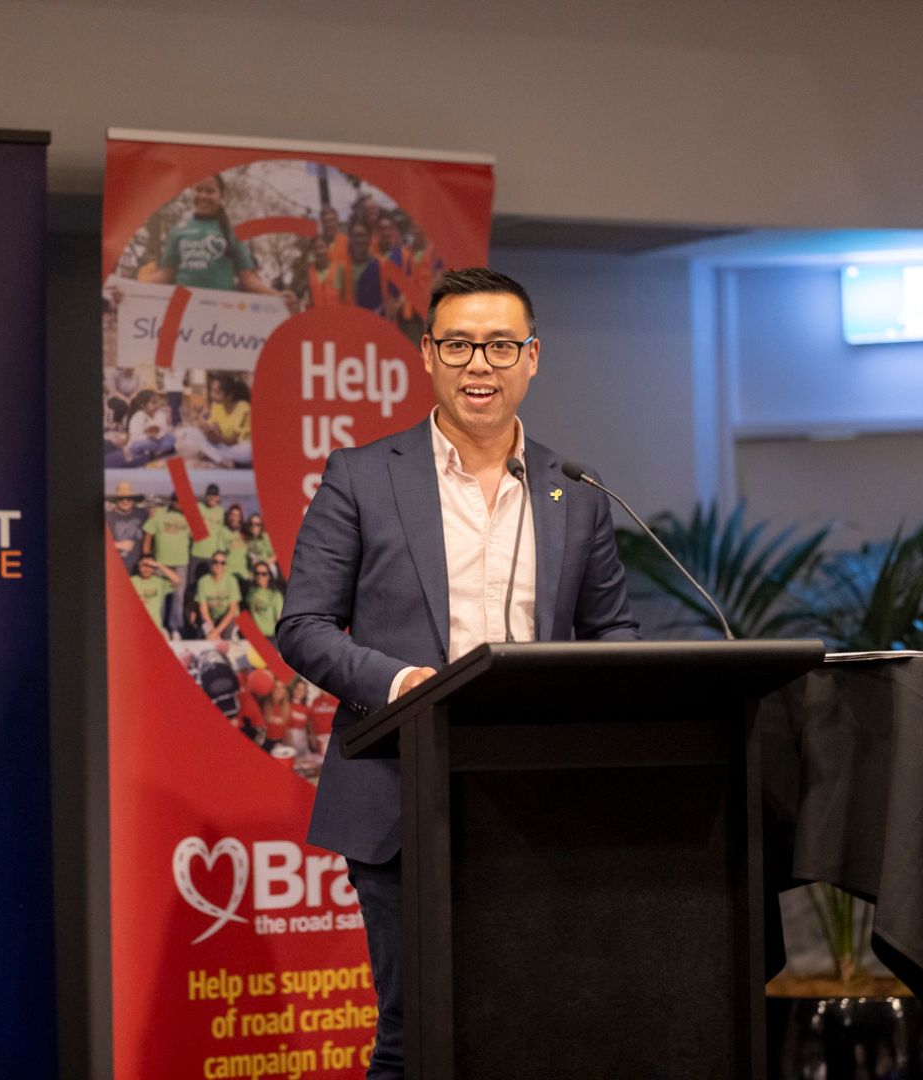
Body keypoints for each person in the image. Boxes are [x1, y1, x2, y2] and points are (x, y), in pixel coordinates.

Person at [277, 267, 639, 1079]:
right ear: (427, 354)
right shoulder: (361, 476)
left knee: (533, 1029)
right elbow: (303, 627)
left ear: (532, 357)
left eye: (501, 346)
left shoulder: (574, 492)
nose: (481, 364)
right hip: (401, 793)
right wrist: (401, 685)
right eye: (460, 345)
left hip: (537, 799)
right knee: (416, 1036)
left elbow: (612, 631)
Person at [150, 173, 296, 311]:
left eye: (210, 191)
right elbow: (166, 274)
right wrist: (136, 287)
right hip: (183, 310)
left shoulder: (233, 233)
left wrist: (276, 296)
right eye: (198, 190)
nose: (203, 196)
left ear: (221, 196)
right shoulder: (178, 231)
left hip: (221, 313)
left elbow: (248, 278)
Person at [141, 492, 192, 640]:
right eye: (177, 501)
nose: (180, 504)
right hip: (161, 562)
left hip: (181, 562)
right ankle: (160, 627)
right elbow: (148, 536)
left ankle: (175, 628)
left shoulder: (188, 517)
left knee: (178, 596)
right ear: (172, 501)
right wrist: (146, 556)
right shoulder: (158, 514)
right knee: (161, 596)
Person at [129, 555, 180, 636]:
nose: (146, 569)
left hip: (155, 627)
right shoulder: (131, 581)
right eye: (144, 566)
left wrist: (159, 565)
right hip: (136, 627)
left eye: (150, 566)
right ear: (139, 566)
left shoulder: (159, 582)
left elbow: (177, 580)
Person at [196, 550, 241, 640]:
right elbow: (204, 610)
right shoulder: (203, 582)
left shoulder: (231, 581)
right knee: (208, 635)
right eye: (215, 562)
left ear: (225, 565)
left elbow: (232, 610)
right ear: (211, 563)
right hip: (211, 617)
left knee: (228, 638)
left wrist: (216, 632)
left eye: (222, 563)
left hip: (229, 617)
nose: (218, 565)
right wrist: (213, 632)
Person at [106, 480, 148, 575]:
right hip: (116, 567)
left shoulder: (143, 513)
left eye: (128, 498)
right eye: (121, 498)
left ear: (133, 499)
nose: (125, 501)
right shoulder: (108, 516)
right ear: (115, 500)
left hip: (139, 569)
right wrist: (116, 545)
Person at [344, 221, 383, 313]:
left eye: (363, 236)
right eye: (355, 236)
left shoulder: (379, 265)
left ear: (369, 238)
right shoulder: (341, 267)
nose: (359, 240)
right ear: (350, 239)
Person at [245, 561, 283, 643]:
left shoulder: (276, 595)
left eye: (264, 574)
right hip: (252, 636)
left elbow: (279, 619)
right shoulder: (250, 592)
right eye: (257, 573)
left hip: (270, 638)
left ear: (269, 576)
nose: (260, 576)